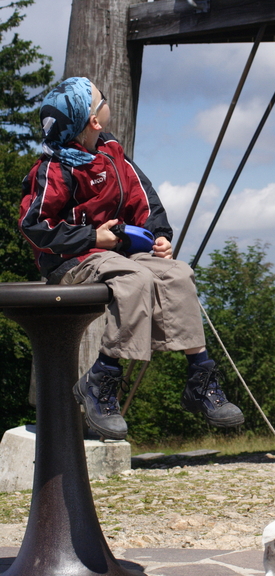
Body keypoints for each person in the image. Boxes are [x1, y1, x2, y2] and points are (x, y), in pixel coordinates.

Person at [19, 76, 244, 440]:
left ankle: (200, 377)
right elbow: (35, 225)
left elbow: (144, 198)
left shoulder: (111, 151)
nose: (106, 102)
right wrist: (92, 236)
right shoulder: (54, 168)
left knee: (177, 274)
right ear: (94, 120)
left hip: (118, 253)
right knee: (135, 280)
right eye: (101, 99)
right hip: (71, 259)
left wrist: (159, 236)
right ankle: (102, 378)